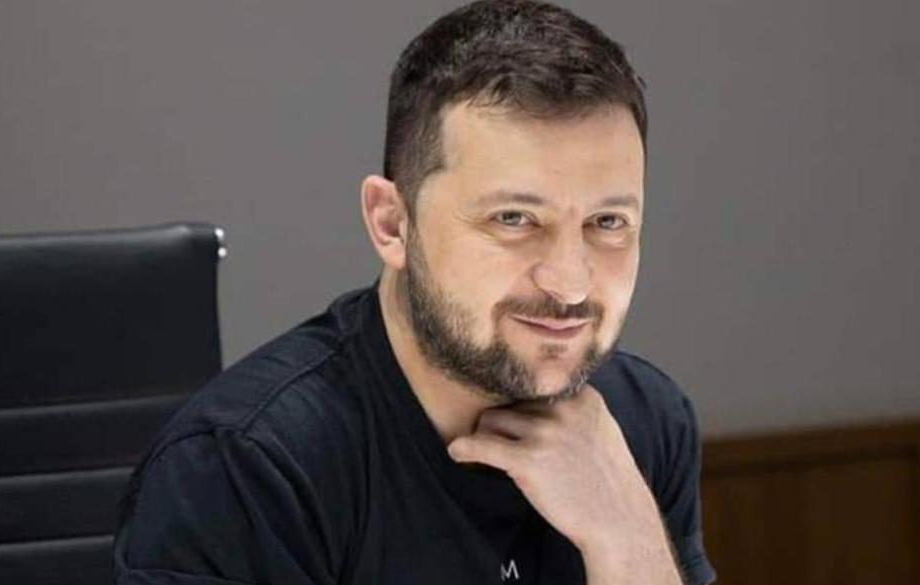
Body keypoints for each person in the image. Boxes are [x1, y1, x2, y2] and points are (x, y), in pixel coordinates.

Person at [113, 1, 716, 584]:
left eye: (608, 222)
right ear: (392, 224)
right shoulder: (245, 468)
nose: (569, 281)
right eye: (513, 219)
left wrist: (627, 540)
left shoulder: (643, 422)